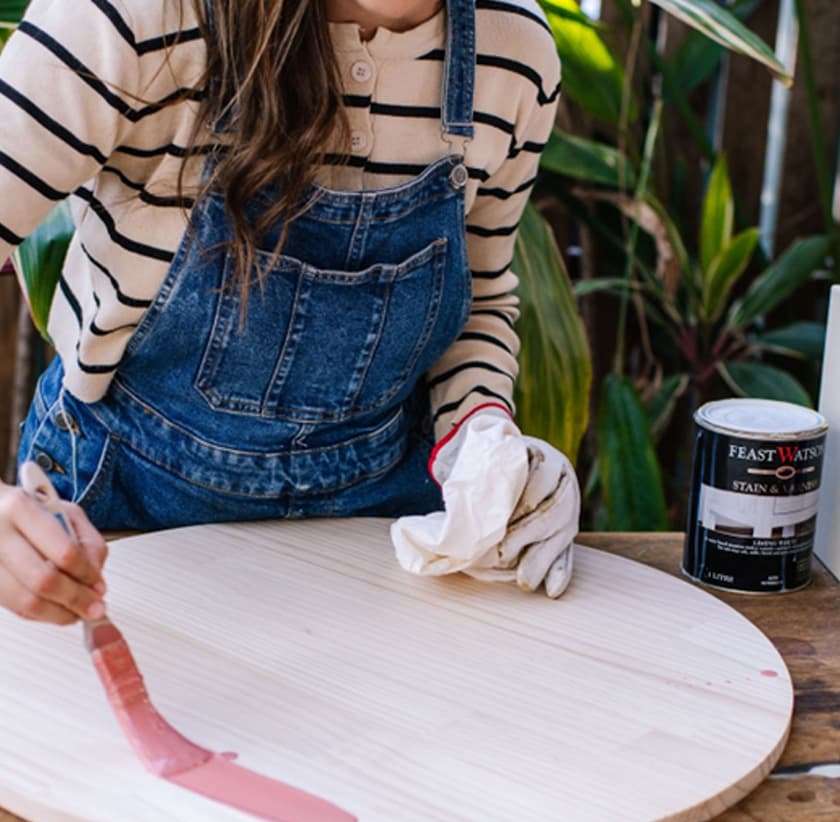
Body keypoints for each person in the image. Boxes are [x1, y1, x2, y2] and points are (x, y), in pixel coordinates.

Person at [0, 0, 578, 627]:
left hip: (376, 532)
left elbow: (479, 297)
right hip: (117, 519)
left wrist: (485, 443)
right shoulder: (139, 16)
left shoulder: (514, 51)